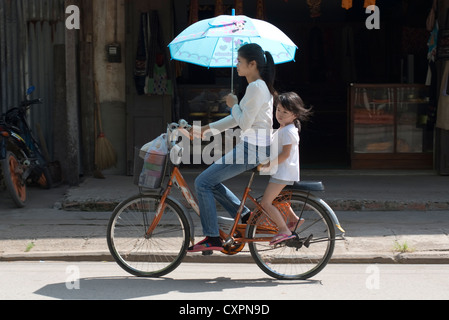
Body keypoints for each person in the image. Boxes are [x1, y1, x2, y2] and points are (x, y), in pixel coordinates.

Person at [187, 43, 276, 252]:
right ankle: (244, 216)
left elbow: (243, 121)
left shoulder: (256, 87)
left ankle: (212, 237)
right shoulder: (259, 87)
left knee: (202, 183)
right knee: (211, 182)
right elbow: (236, 119)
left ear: (252, 64)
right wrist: (205, 129)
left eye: (239, 61)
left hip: (252, 148)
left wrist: (233, 103)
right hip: (253, 147)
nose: (236, 65)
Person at [258, 92, 312, 245]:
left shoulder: (289, 131)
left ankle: (283, 230)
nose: (279, 114)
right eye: (278, 110)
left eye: (285, 112)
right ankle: (294, 220)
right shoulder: (284, 128)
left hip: (283, 173)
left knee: (266, 202)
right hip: (282, 172)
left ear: (294, 114)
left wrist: (269, 164)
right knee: (278, 199)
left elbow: (286, 154)